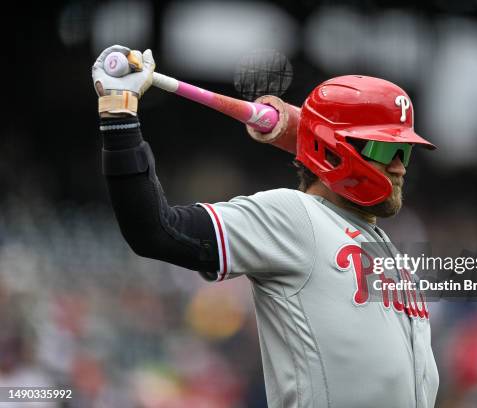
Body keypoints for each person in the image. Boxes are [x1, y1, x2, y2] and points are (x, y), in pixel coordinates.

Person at [92, 45, 439, 408]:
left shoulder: (391, 255)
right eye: (386, 150)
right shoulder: (295, 216)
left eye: (405, 152)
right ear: (338, 148)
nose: (400, 167)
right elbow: (155, 231)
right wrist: (119, 117)